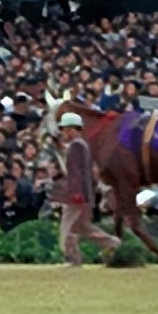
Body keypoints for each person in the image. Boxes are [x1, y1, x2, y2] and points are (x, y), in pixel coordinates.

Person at [53, 111, 120, 266]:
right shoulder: (82, 145)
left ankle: (72, 258)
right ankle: (113, 243)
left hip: (76, 195)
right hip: (85, 194)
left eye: (64, 129)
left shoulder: (76, 146)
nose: (63, 132)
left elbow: (76, 172)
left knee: (68, 227)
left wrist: (76, 192)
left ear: (71, 129)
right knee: (84, 227)